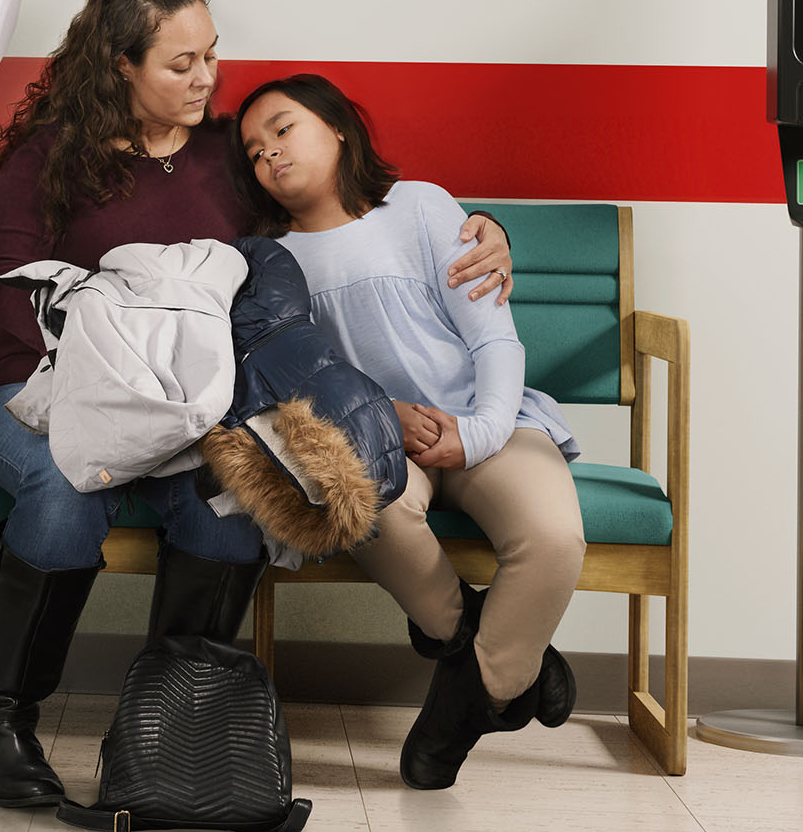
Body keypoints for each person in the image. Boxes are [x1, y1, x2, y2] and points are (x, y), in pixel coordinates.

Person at [0, 0, 516, 809]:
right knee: (63, 485)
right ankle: (5, 725)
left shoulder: (232, 155)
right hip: (38, 395)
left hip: (196, 416)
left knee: (231, 505)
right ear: (121, 66)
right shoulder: (50, 159)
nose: (206, 78)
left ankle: (164, 733)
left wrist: (481, 228)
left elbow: (344, 211)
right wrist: (126, 349)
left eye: (211, 56)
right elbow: (8, 284)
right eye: (180, 63)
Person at [234, 73, 581, 788]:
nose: (267, 152)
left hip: (490, 415)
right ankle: (474, 641)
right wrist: (386, 415)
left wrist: (478, 433)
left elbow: (494, 340)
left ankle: (469, 700)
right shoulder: (268, 259)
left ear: (336, 127)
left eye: (281, 128)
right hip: (378, 432)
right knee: (364, 504)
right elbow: (305, 375)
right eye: (251, 150)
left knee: (552, 538)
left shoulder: (419, 207)